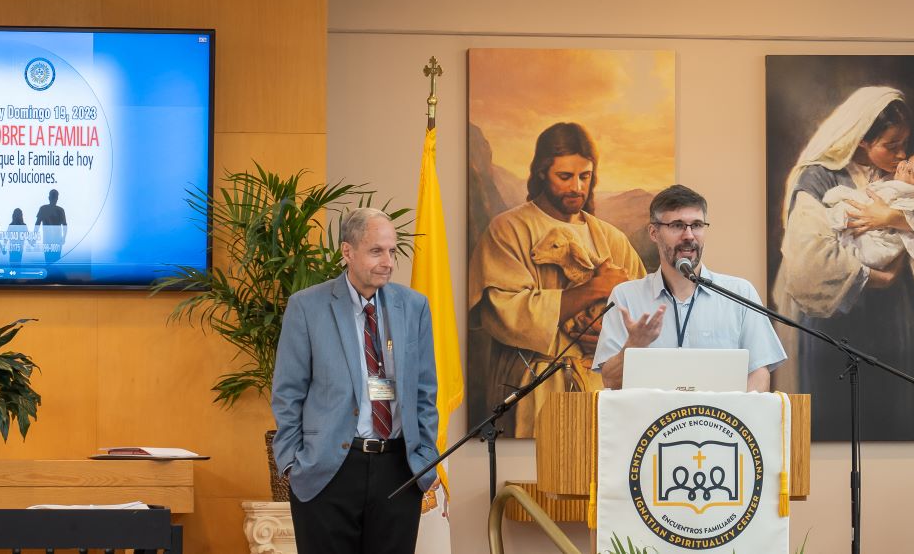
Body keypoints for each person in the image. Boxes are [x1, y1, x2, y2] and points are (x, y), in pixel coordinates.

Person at [772, 86, 914, 440]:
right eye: (891, 145)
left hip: (890, 318)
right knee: (830, 418)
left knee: (887, 414)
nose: (902, 154)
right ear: (861, 142)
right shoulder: (818, 177)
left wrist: (894, 219)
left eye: (905, 143)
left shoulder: (906, 175)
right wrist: (878, 277)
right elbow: (808, 259)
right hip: (832, 316)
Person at [271, 207, 439, 554]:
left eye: (392, 251)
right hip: (328, 470)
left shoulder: (414, 306)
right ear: (347, 252)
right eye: (377, 251)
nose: (388, 261)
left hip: (398, 470)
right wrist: (291, 463)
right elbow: (288, 392)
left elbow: (425, 391)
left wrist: (425, 456)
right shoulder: (307, 307)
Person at [466, 122, 646, 437]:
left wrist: (610, 332)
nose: (577, 187)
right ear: (540, 174)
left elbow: (646, 309)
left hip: (597, 390)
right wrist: (593, 289)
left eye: (585, 177)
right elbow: (504, 311)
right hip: (533, 389)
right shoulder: (508, 230)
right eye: (564, 177)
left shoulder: (610, 238)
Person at [593, 184, 785, 391]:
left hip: (720, 423)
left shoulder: (739, 294)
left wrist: (736, 420)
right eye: (677, 225)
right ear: (654, 232)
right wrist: (634, 346)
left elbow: (758, 373)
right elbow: (610, 381)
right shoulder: (625, 297)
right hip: (652, 423)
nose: (689, 235)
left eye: (697, 225)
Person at [822, 151, 914, 271]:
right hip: (864, 223)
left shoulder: (913, 199)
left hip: (880, 242)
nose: (902, 165)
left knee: (854, 247)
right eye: (907, 161)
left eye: (909, 172)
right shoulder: (892, 178)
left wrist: (890, 217)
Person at [35, 189, 67, 263]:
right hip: (56, 241)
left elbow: (37, 223)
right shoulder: (60, 210)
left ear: (49, 197)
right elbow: (64, 225)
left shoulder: (43, 208)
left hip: (49, 241)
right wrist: (64, 237)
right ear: (57, 198)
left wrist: (34, 237)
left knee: (49, 261)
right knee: (55, 261)